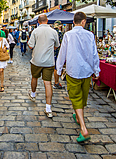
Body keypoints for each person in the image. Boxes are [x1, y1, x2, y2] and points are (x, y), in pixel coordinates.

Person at [56, 12, 100, 143]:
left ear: (73, 22)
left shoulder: (68, 35)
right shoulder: (90, 35)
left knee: (75, 98)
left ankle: (83, 129)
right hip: (86, 72)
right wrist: (96, 70)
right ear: (84, 22)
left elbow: (62, 53)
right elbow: (94, 54)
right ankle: (78, 116)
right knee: (82, 97)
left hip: (73, 71)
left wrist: (58, 69)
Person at [27, 14, 60, 118]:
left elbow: (30, 45)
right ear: (47, 20)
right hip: (49, 62)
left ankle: (33, 94)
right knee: (48, 83)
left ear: (39, 21)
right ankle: (48, 108)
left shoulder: (35, 31)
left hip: (36, 60)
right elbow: (56, 45)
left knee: (34, 77)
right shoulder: (54, 31)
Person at [53, 20, 64, 89]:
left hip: (52, 52)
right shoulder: (60, 33)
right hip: (58, 52)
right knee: (56, 67)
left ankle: (56, 82)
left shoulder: (51, 32)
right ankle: (56, 82)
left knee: (55, 67)